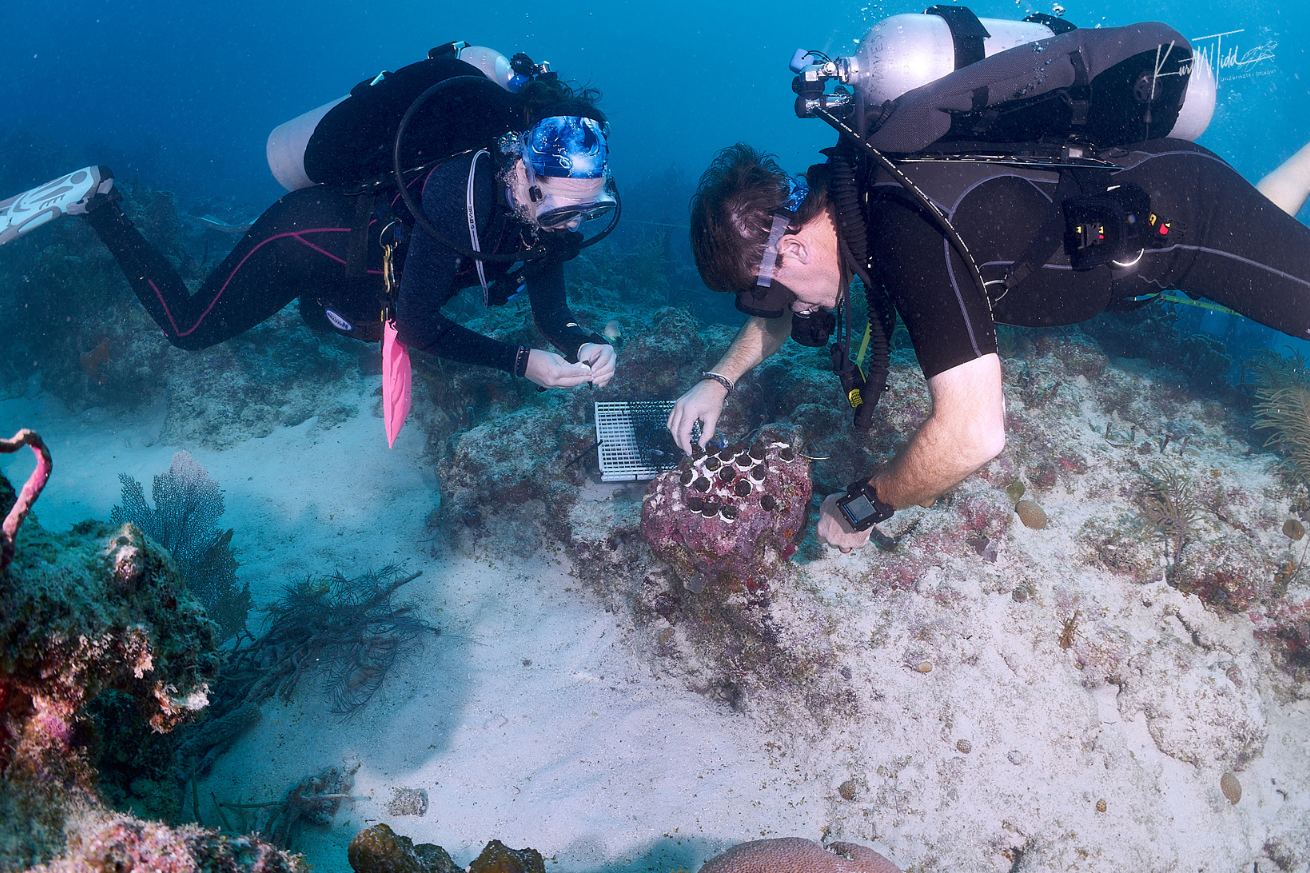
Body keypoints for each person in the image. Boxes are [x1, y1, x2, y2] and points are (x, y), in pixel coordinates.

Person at [668, 16, 1310, 552]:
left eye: (780, 292)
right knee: (1259, 234)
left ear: (795, 245)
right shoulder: (850, 186)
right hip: (1141, 230)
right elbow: (781, 311)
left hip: (1187, 214)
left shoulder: (905, 232)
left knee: (1263, 265)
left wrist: (866, 503)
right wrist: (717, 380)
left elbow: (975, 434)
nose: (798, 312)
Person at [0, 45, 618, 432]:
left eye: (587, 214)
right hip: (307, 233)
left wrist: (580, 341)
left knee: (341, 320)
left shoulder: (551, 215)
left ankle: (309, 298)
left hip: (364, 264)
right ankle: (98, 200)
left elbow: (552, 308)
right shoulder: (466, 189)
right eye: (562, 212)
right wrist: (520, 363)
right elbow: (420, 323)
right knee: (189, 330)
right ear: (521, 171)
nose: (570, 228)